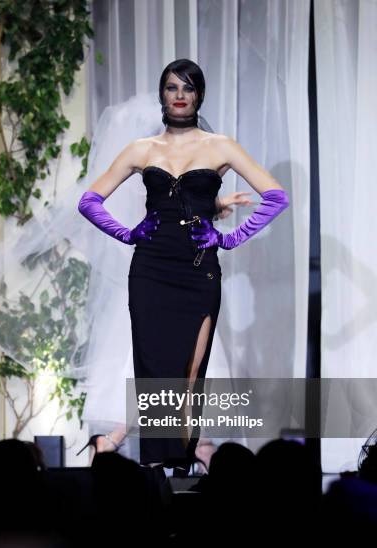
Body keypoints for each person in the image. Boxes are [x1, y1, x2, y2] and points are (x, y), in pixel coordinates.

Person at [77, 59, 289, 474]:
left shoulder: (220, 146)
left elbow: (275, 197)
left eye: (187, 88)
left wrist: (227, 238)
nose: (179, 95)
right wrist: (128, 234)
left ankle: (180, 467)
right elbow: (89, 201)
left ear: (199, 96)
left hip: (198, 270)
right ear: (162, 94)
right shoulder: (142, 149)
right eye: (172, 87)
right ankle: (159, 467)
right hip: (150, 269)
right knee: (153, 372)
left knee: (191, 373)